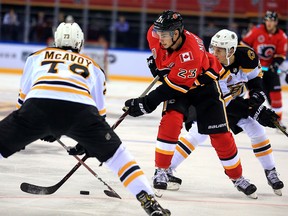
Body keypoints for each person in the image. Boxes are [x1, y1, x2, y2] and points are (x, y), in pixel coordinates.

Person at [0, 22, 170, 216]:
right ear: (80, 42)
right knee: (118, 156)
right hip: (80, 111)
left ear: (55, 40)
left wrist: (31, 129)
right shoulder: (94, 66)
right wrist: (89, 141)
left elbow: (23, 99)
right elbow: (99, 112)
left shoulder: (35, 57)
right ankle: (149, 202)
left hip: (37, 107)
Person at [124, 10, 258, 198]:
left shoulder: (192, 51)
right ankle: (161, 170)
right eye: (158, 34)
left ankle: (237, 177)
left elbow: (174, 88)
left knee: (221, 135)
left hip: (203, 86)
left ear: (176, 33)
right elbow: (163, 63)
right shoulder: (154, 35)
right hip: (179, 82)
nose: (159, 38)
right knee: (171, 120)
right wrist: (158, 67)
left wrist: (146, 103)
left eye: (164, 35)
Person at [169, 29, 284, 196]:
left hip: (234, 103)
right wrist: (255, 110)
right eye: (213, 48)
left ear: (231, 50)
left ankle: (270, 171)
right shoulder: (209, 64)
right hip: (208, 103)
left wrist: (257, 97)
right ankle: (166, 169)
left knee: (258, 131)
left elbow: (254, 79)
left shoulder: (247, 56)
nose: (214, 53)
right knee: (196, 135)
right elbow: (225, 102)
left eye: (219, 50)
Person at [241, 11, 288, 130]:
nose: (269, 23)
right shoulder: (257, 31)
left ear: (276, 22)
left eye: (272, 21)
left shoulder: (282, 36)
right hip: (256, 70)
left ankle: (277, 121)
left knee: (276, 97)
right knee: (254, 96)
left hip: (271, 71)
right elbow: (243, 44)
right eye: (267, 20)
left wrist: (275, 64)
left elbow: (281, 54)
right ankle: (248, 120)